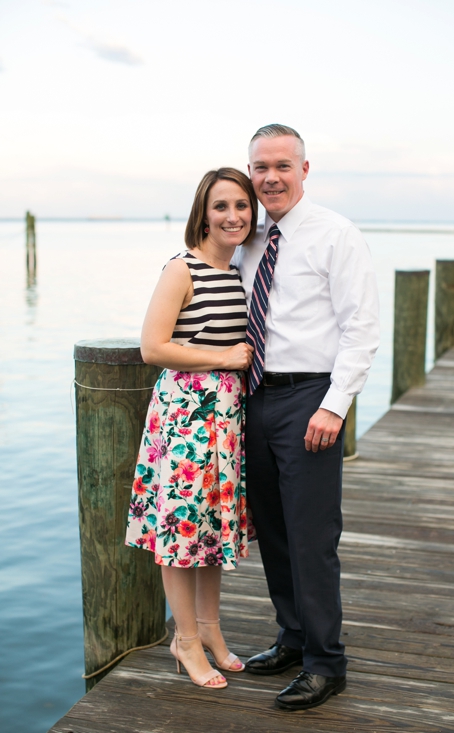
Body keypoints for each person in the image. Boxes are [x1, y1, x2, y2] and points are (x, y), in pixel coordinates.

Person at [237, 124, 380, 711]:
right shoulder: (245, 237)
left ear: (303, 169)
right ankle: (292, 639)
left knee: (312, 537)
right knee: (271, 528)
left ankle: (327, 663)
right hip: (254, 398)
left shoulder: (334, 234)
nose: (270, 177)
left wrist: (333, 406)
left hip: (309, 398)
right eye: (260, 167)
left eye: (281, 166)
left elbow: (362, 329)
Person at [125, 167, 257, 689]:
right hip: (185, 413)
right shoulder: (183, 269)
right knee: (181, 530)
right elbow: (152, 347)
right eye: (222, 206)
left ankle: (209, 631)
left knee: (209, 529)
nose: (233, 216)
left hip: (225, 416)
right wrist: (224, 356)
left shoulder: (238, 269)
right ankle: (183, 639)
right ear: (203, 212)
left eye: (242, 206)